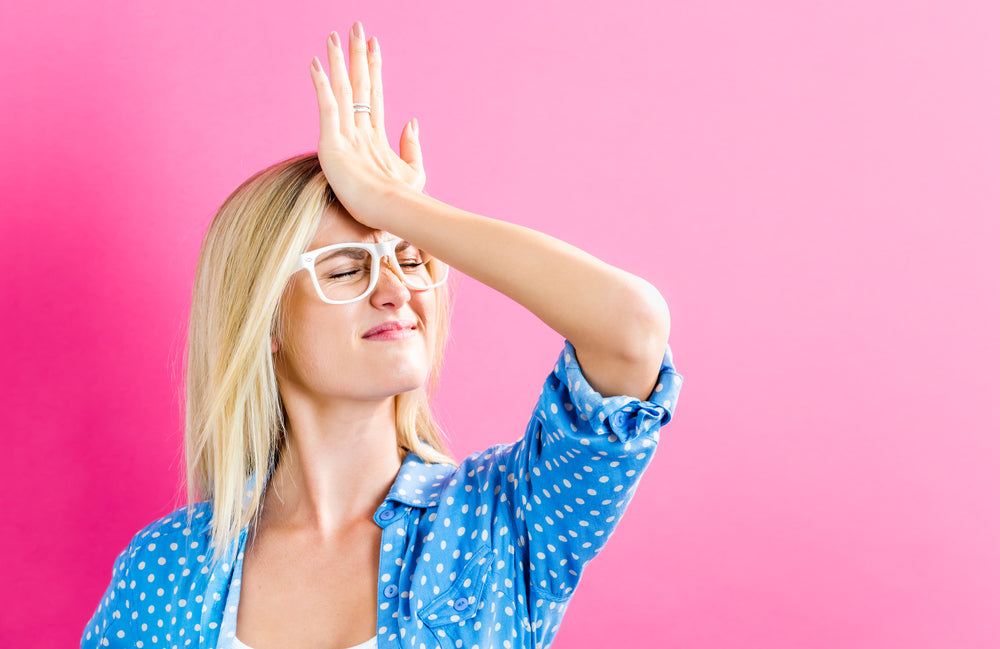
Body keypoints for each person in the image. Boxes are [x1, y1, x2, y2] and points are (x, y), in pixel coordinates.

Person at [82, 20, 683, 649]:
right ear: (264, 326)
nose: (395, 288)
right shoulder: (166, 570)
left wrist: (395, 204)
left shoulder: (502, 521)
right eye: (345, 268)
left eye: (412, 259)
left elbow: (631, 327)